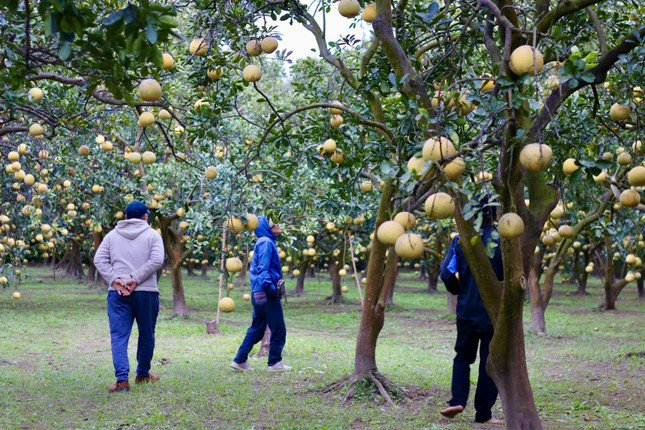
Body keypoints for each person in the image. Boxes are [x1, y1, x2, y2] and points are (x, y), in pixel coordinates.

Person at [439, 201, 503, 424]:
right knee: (489, 362)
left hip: (466, 311)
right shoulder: (503, 239)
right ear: (495, 213)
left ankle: (457, 400)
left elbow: (446, 273)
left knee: (462, 358)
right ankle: (483, 414)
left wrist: (460, 292)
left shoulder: (461, 239)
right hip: (492, 313)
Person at [94, 201, 165, 393]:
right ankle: (142, 374)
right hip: (146, 292)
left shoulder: (111, 236)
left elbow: (98, 259)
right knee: (146, 333)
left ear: (125, 217)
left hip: (117, 294)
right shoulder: (153, 235)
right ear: (145, 217)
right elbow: (157, 260)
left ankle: (122, 381)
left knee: (119, 336)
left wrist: (116, 280)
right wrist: (136, 279)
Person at [231, 216, 291, 372]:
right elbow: (263, 270)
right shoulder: (265, 242)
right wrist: (271, 289)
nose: (278, 225)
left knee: (257, 328)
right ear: (265, 227)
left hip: (258, 291)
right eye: (273, 224)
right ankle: (275, 363)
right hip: (265, 291)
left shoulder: (264, 241)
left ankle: (239, 360)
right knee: (278, 328)